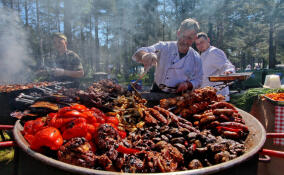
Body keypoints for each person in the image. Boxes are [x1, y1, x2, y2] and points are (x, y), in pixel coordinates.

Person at [132, 18, 203, 93]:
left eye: (189, 38)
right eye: (183, 36)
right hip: (157, 91)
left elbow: (198, 80)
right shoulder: (164, 47)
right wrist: (145, 55)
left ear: (195, 38)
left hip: (181, 95)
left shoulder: (196, 57)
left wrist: (188, 84)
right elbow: (139, 52)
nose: (185, 41)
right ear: (178, 33)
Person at [195, 32, 235, 101]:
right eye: (197, 44)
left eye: (202, 42)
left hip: (218, 96)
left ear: (208, 40)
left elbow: (227, 66)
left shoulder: (214, 52)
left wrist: (229, 71)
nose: (200, 45)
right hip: (206, 96)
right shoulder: (202, 55)